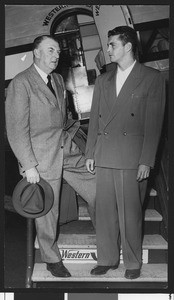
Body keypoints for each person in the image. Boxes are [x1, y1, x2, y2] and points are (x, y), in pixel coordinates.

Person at [5, 35, 96, 278]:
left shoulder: (56, 79)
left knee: (98, 184)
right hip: (40, 156)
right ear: (36, 53)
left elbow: (61, 119)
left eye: (57, 50)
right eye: (50, 50)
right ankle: (51, 259)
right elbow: (16, 129)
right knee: (48, 210)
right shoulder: (21, 83)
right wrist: (29, 165)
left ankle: (108, 237)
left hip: (65, 147)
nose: (56, 55)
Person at [85, 26, 165, 279]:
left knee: (130, 214)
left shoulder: (152, 78)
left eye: (112, 45)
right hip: (105, 154)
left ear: (128, 46)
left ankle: (132, 262)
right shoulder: (103, 79)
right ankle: (107, 259)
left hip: (132, 158)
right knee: (105, 212)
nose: (107, 49)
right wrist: (90, 153)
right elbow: (95, 122)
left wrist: (146, 160)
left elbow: (154, 125)